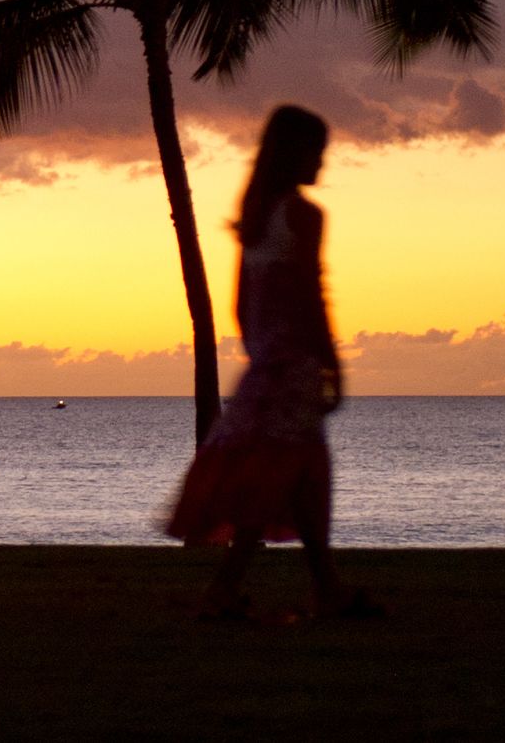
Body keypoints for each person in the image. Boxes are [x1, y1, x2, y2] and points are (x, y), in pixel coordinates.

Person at [162, 103, 376, 622]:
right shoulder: (303, 214)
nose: (322, 163)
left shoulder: (257, 217)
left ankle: (319, 590)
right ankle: (250, 589)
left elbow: (240, 303)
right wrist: (330, 363)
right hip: (295, 362)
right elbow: (312, 290)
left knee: (292, 475)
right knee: (288, 475)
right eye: (317, 152)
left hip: (269, 363)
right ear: (295, 153)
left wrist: (262, 355)